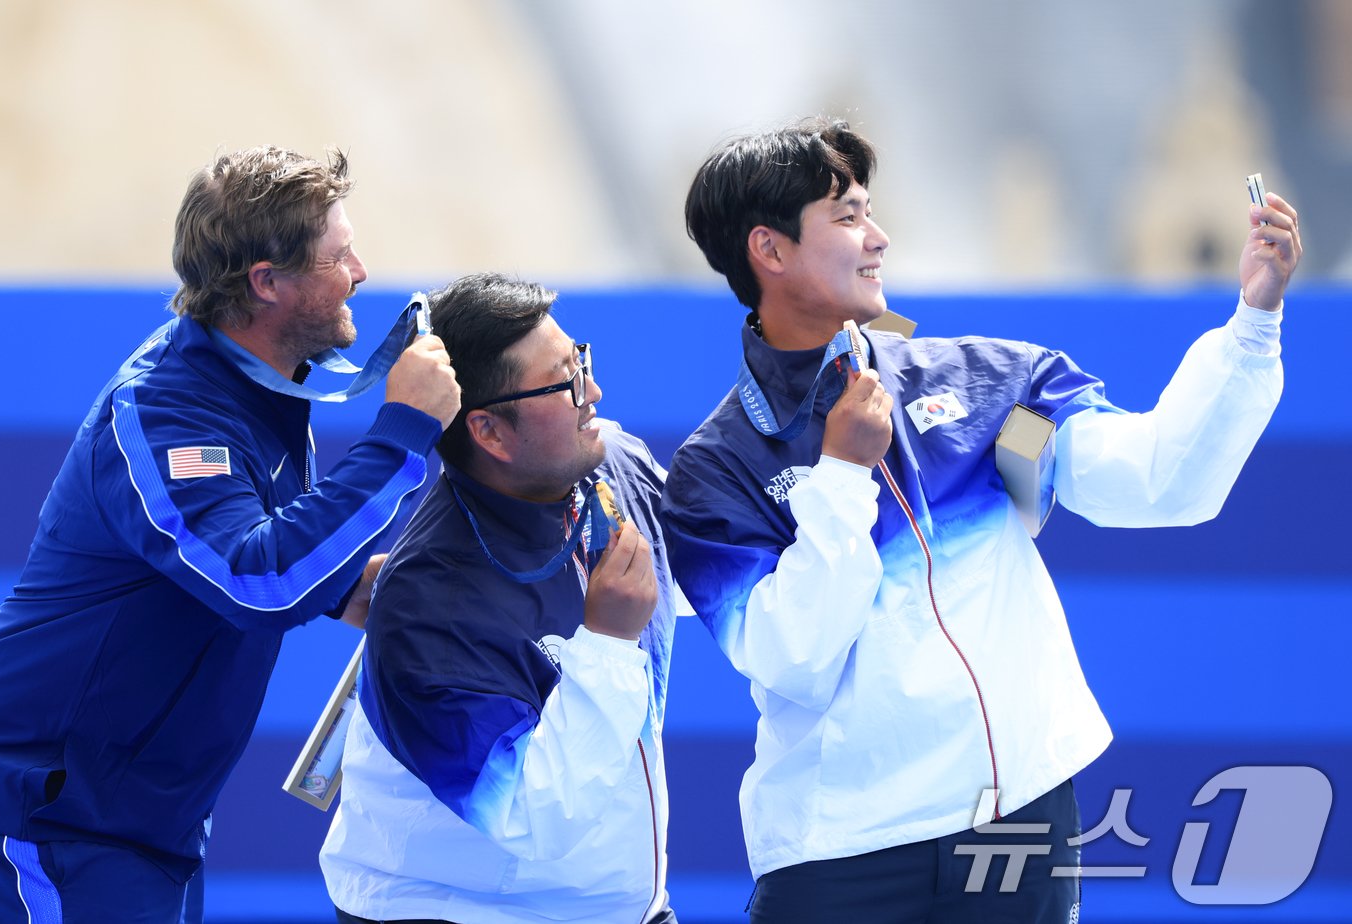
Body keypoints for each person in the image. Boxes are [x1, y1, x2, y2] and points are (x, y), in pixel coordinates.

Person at [662, 117, 1300, 922]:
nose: (879, 237)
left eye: (870, 211)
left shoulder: (990, 388)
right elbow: (797, 658)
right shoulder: (714, 472)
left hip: (1017, 820)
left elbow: (1157, 482)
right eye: (849, 216)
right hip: (843, 851)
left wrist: (1252, 326)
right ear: (770, 250)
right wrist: (842, 477)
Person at [0, 146, 461, 923]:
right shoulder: (161, 410)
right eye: (338, 254)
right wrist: (401, 435)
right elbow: (255, 580)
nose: (360, 269)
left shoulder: (260, 387)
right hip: (48, 807)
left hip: (140, 815)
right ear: (267, 281)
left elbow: (230, 551)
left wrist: (344, 589)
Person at [319, 272, 679, 924]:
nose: (592, 392)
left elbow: (715, 559)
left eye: (583, 361)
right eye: (567, 379)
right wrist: (609, 642)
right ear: (488, 432)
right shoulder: (432, 606)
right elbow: (533, 817)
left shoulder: (606, 460)